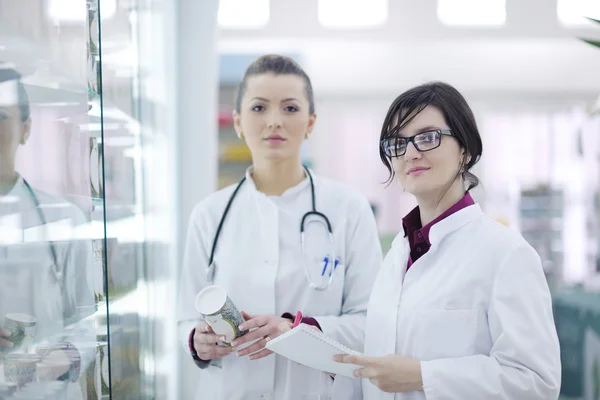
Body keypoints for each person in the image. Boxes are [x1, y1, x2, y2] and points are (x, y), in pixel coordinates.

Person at [333, 82, 561, 399]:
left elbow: (536, 381)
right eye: (397, 143)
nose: (410, 153)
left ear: (465, 149)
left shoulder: (506, 254)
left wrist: (425, 376)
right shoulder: (398, 254)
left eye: (428, 137)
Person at [177, 54, 382, 399]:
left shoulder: (348, 208)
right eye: (259, 108)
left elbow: (371, 323)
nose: (274, 121)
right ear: (239, 122)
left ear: (311, 122)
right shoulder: (209, 214)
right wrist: (197, 340)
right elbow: (185, 318)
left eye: (290, 108)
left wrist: (295, 328)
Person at [0, 66, 96, 398]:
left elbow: (87, 325)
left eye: (1, 115)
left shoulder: (63, 220)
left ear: (25, 129)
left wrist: (61, 358)